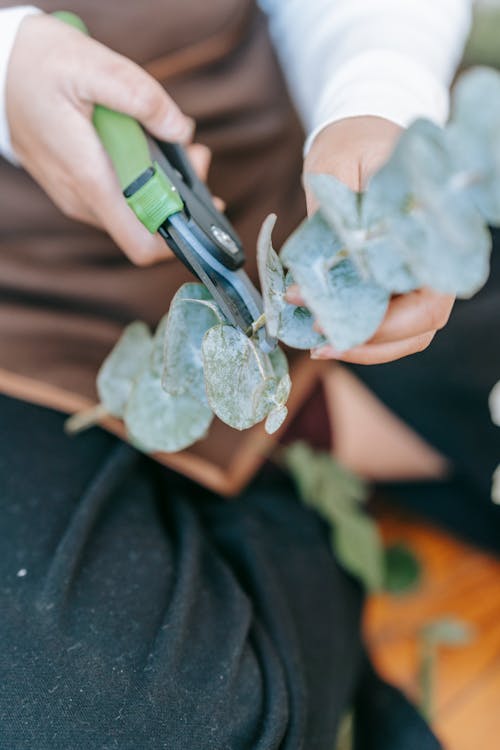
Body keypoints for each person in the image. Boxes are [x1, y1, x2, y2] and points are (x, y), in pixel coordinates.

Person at [0, 1, 498, 748]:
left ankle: (303, 442)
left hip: (305, 209)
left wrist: (374, 105)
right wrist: (8, 67)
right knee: (117, 717)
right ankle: (308, 460)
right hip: (25, 333)